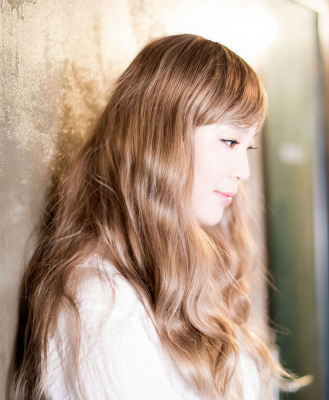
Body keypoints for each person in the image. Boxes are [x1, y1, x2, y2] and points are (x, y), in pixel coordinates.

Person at [11, 34, 283, 400]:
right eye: (230, 141)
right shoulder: (101, 304)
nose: (244, 171)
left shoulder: (180, 271)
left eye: (248, 147)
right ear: (164, 137)